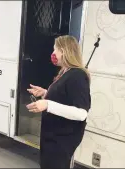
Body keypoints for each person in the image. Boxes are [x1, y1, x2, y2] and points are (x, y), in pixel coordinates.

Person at [26, 35, 91, 168]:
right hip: (52, 137)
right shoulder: (66, 72)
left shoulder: (77, 76)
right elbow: (64, 97)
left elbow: (81, 113)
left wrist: (48, 104)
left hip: (61, 139)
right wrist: (45, 93)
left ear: (65, 51)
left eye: (56, 49)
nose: (53, 53)